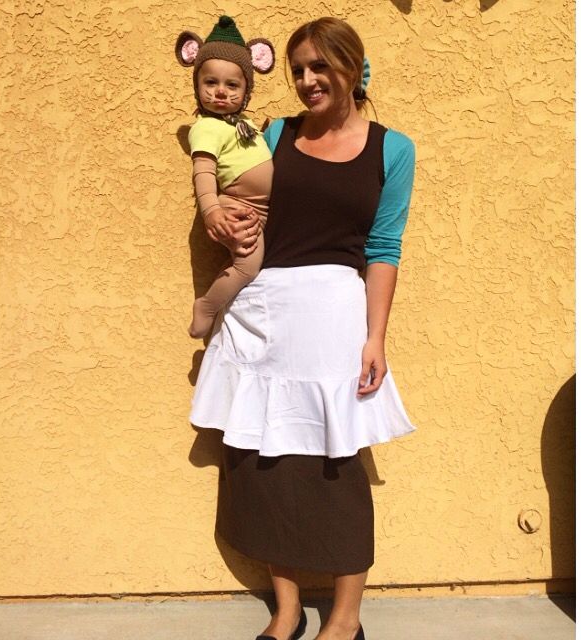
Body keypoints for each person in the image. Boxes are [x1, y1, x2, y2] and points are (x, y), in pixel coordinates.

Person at [189, 17, 416, 640]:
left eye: (321, 67)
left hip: (332, 317)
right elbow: (244, 196)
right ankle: (286, 612)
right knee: (259, 461)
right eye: (298, 70)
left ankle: (344, 620)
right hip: (262, 311)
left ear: (353, 67)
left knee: (336, 466)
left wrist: (375, 336)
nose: (308, 81)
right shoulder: (271, 133)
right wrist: (226, 220)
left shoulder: (392, 149)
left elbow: (384, 246)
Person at [175, 16, 275, 338]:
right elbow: (203, 172)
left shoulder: (241, 123)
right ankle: (207, 304)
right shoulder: (206, 127)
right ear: (197, 86)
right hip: (239, 207)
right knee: (249, 264)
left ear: (247, 90)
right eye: (210, 83)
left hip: (262, 209)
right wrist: (212, 211)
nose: (221, 92)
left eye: (232, 85)